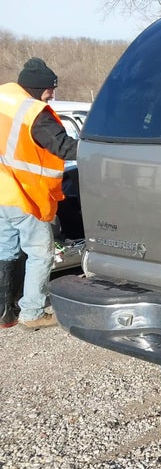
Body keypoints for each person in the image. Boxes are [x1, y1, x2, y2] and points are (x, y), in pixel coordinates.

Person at [1, 58, 78, 329]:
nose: (52, 95)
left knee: (6, 250)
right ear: (37, 87)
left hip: (2, 191)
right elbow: (63, 147)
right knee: (40, 253)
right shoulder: (33, 111)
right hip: (23, 194)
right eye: (49, 89)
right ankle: (32, 312)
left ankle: (5, 312)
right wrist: (96, 148)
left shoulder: (4, 99)